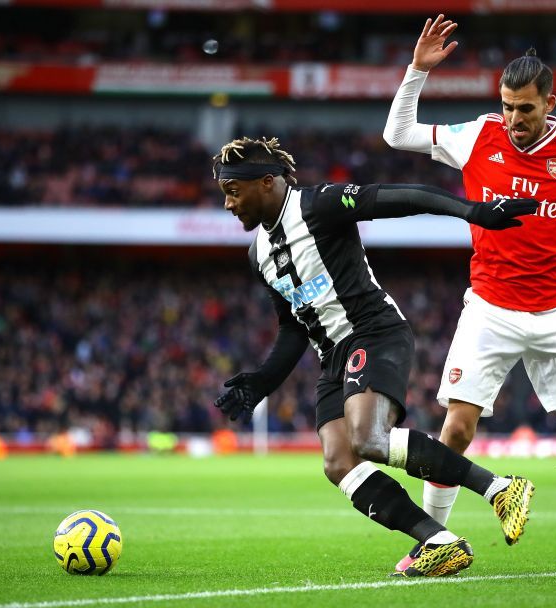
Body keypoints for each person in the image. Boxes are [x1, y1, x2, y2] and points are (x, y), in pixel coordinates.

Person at [383, 14, 556, 575]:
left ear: (550, 103)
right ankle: (431, 541)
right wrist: (416, 70)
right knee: (456, 428)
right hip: (489, 308)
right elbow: (398, 134)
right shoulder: (478, 136)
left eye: (526, 109)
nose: (513, 119)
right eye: (507, 106)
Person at [212, 135, 538, 577]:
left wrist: (473, 211)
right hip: (332, 358)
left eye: (233, 192)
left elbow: (401, 197)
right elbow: (293, 327)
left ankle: (500, 488)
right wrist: (261, 381)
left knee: (368, 438)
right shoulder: (258, 255)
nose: (229, 204)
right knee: (338, 461)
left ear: (266, 182)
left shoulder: (319, 205)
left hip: (373, 331)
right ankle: (439, 541)